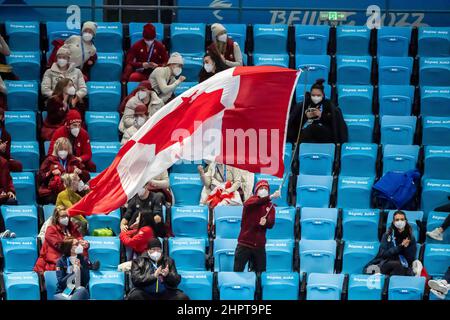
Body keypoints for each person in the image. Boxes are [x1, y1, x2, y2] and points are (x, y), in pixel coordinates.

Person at [234, 180, 280, 272]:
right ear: (256, 190)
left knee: (260, 274)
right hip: (244, 243)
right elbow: (251, 203)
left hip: (259, 246)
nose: (263, 190)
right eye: (261, 188)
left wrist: (266, 222)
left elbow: (271, 224)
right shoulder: (251, 201)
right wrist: (270, 197)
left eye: (265, 188)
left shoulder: (271, 207)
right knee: (237, 271)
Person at [287, 79, 348, 144]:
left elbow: (334, 122)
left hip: (324, 135)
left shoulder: (328, 106)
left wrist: (321, 116)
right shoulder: (304, 105)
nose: (315, 97)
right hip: (305, 134)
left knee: (313, 128)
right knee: (308, 129)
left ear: (323, 95)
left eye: (318, 95)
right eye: (313, 95)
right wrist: (306, 116)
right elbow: (295, 123)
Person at [34, 206, 88, 273]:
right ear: (57, 218)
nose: (66, 218)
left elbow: (79, 237)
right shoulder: (51, 230)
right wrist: (76, 243)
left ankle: (87, 264)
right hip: (55, 261)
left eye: (67, 216)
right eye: (63, 216)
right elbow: (60, 246)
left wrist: (84, 243)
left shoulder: (71, 227)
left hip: (71, 259)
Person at [364, 210, 417, 276]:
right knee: (395, 264)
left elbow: (410, 259)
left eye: (402, 219)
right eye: (397, 220)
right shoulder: (387, 235)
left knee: (399, 266)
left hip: (403, 266)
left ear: (405, 221)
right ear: (394, 222)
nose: (400, 222)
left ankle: (388, 281)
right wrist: (400, 247)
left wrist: (406, 248)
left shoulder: (410, 238)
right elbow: (383, 254)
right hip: (386, 263)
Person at [38, 137, 89, 204]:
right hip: (53, 192)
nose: (63, 151)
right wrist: (50, 173)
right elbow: (40, 178)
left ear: (68, 149)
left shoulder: (74, 160)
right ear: (56, 149)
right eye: (61, 149)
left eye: (65, 149)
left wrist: (81, 172)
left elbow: (87, 177)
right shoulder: (49, 160)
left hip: (72, 192)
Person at [120, 172, 171, 238]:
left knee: (141, 213)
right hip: (138, 231)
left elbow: (157, 218)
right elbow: (127, 215)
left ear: (147, 186)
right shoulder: (134, 199)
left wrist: (141, 221)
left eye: (141, 187)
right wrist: (122, 225)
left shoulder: (157, 197)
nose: (139, 189)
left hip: (152, 230)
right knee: (136, 214)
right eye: (137, 187)